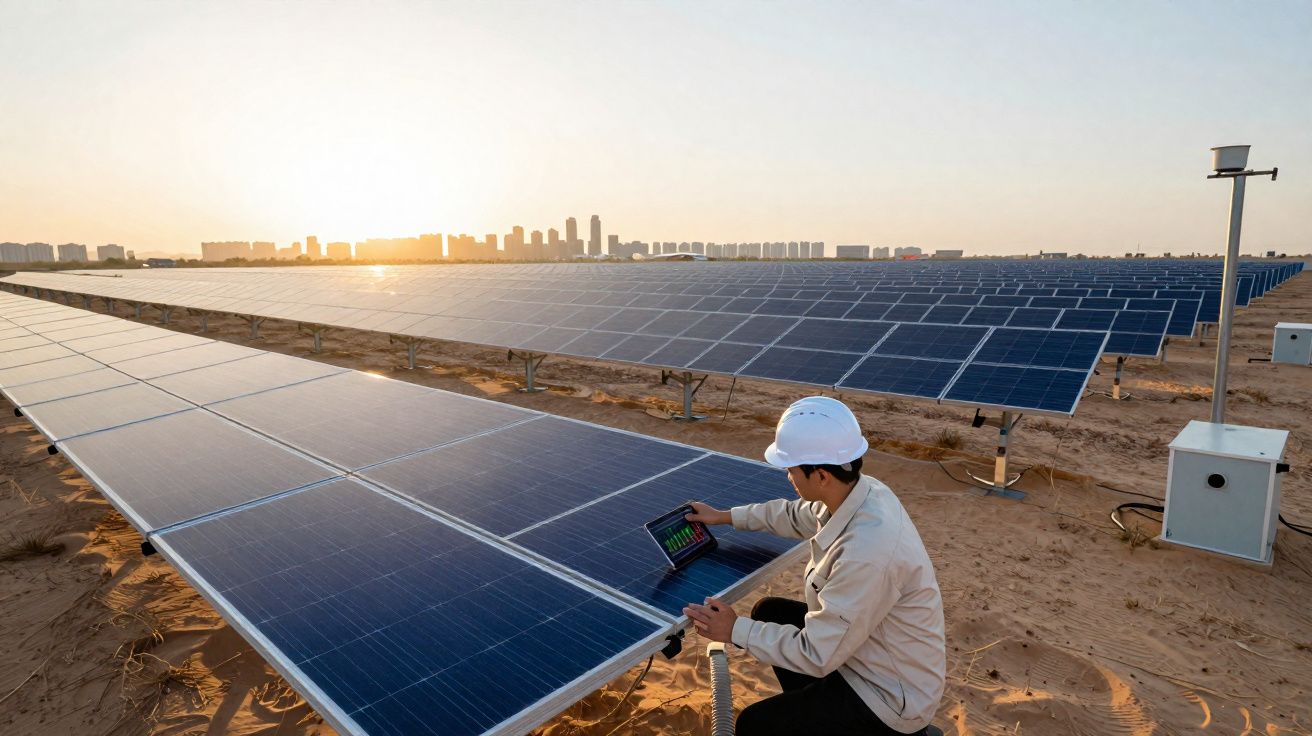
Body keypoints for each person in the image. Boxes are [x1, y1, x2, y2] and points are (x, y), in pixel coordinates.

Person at [683, 396, 945, 736]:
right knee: (770, 611)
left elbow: (817, 653)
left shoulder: (867, 553)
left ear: (821, 475)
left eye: (791, 469)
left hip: (889, 696)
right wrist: (725, 516)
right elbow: (796, 515)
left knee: (754, 724)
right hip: (864, 652)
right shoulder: (860, 493)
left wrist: (733, 630)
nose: (788, 477)